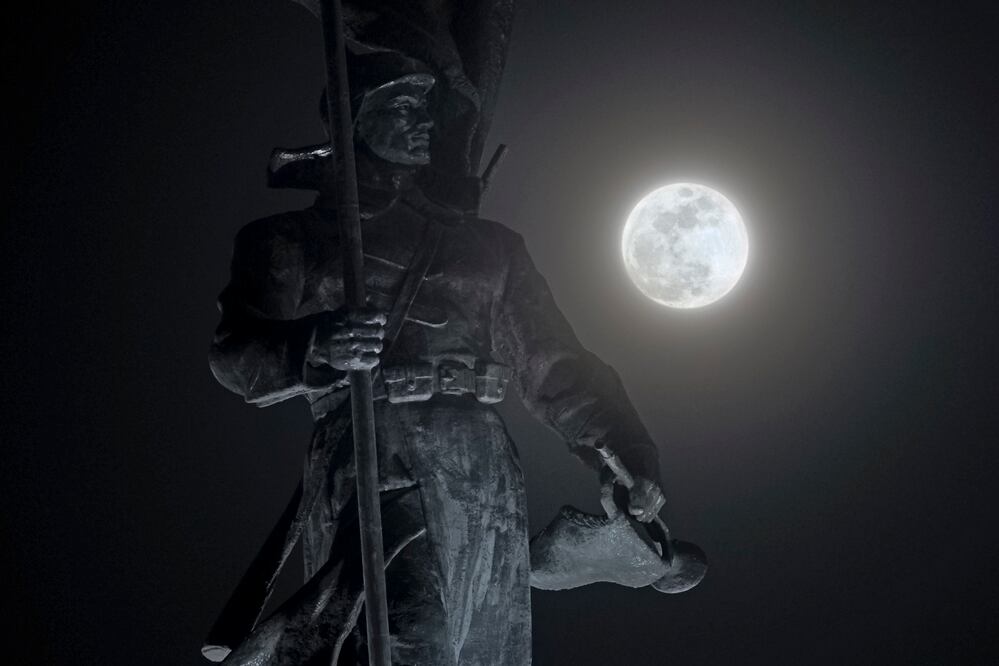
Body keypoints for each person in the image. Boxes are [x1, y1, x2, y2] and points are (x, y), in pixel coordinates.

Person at [208, 51, 664, 665]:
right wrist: (317, 344)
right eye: (401, 106)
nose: (423, 120)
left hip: (480, 471)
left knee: (479, 652)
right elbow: (235, 356)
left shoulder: (491, 248)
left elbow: (555, 367)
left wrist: (625, 452)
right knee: (400, 642)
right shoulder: (288, 241)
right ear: (351, 119)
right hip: (374, 456)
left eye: (425, 106)